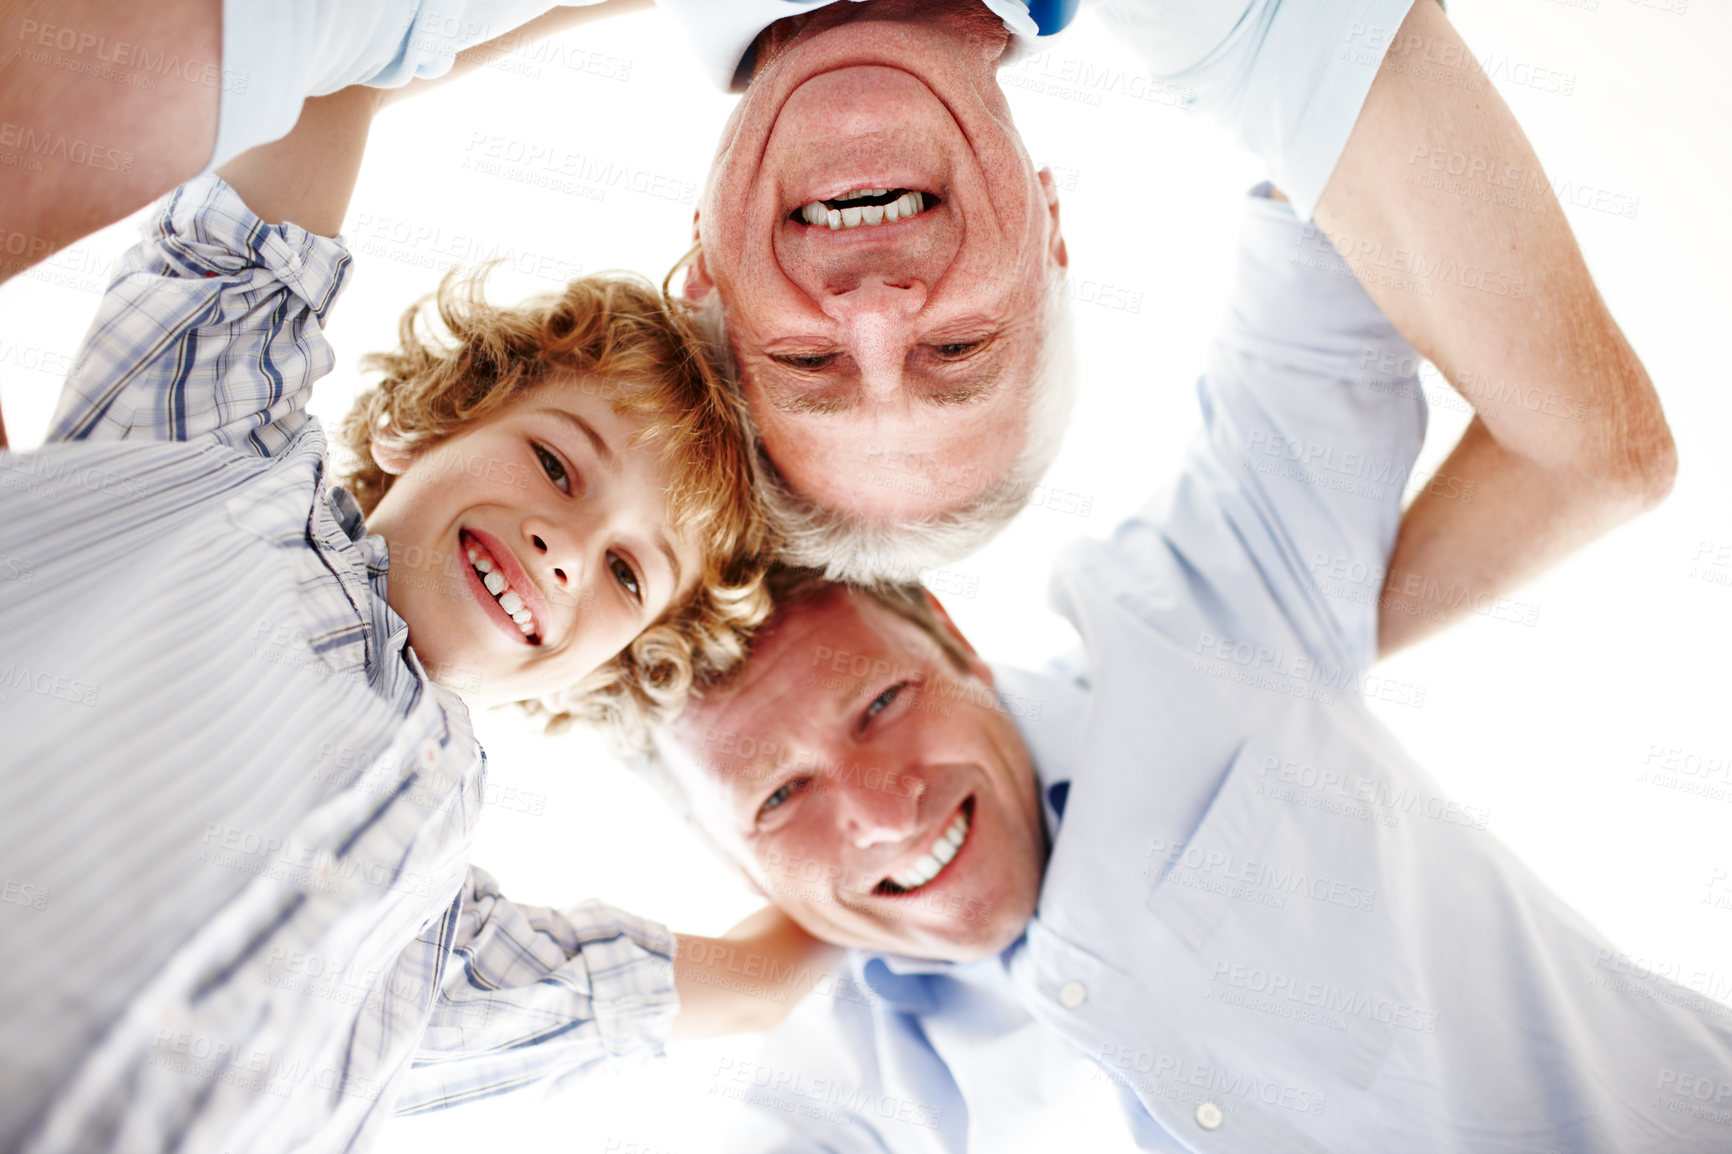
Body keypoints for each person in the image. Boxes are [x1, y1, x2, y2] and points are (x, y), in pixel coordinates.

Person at [649, 184, 1725, 1151]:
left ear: (951, 635)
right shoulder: (831, 1099)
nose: (884, 809)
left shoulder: (1195, 626)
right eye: (780, 794)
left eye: (881, 703)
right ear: (738, 867)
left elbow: (1325, 176)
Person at [0, 76, 825, 1153]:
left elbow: (759, 982)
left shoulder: (425, 947)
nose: (568, 551)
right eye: (554, 461)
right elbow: (324, 69)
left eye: (629, 574)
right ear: (418, 430)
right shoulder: (216, 461)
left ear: (601, 670)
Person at [657, 0, 1668, 600]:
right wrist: (1259, 675)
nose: (875, 310)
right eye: (957, 348)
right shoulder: (1225, 20)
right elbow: (1593, 456)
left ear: (701, 261)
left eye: (808, 363)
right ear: (1050, 231)